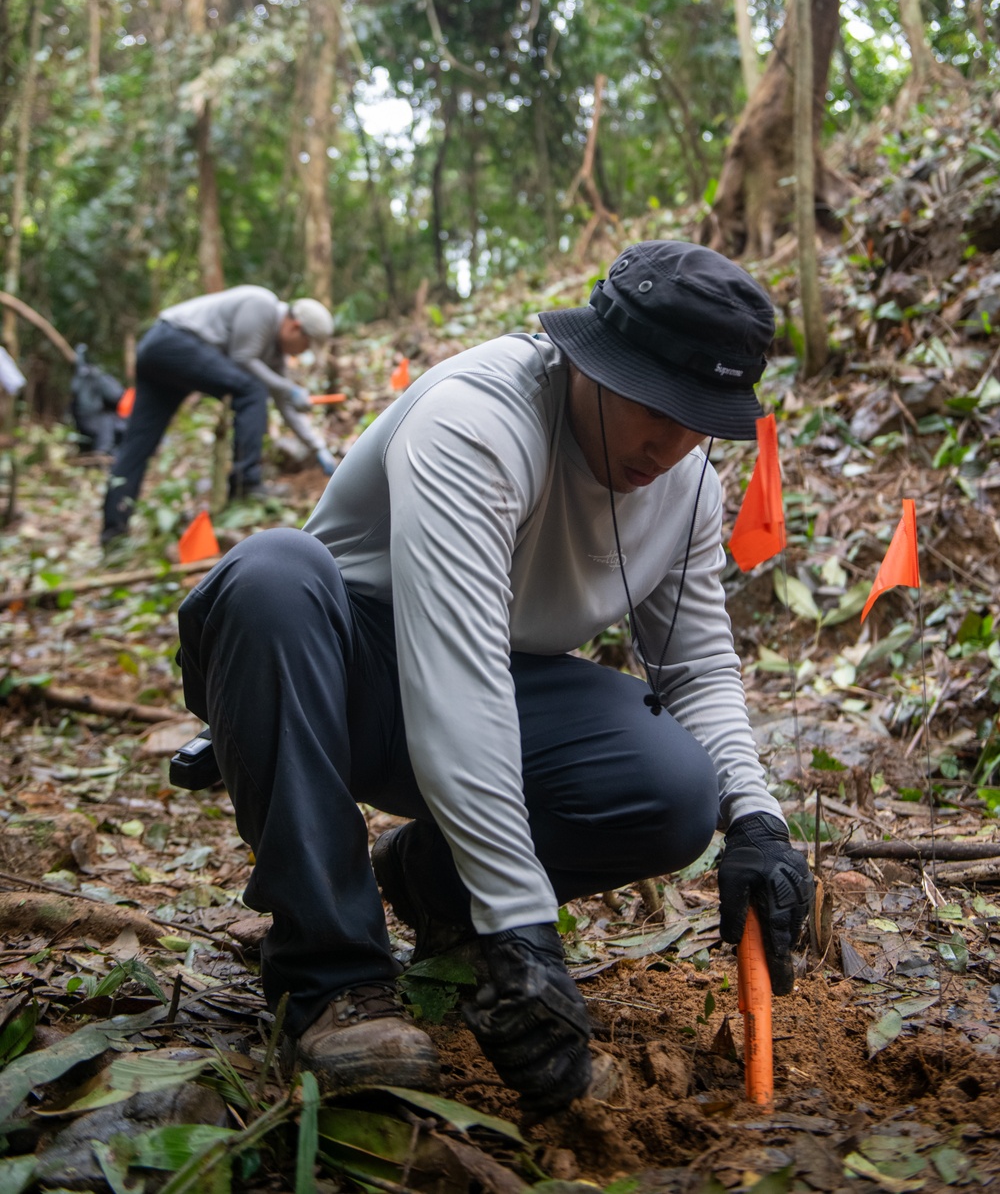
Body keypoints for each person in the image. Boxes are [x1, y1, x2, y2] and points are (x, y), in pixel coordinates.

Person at [175, 242, 812, 1116]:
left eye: (699, 417)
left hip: (502, 685)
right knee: (272, 575)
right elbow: (453, 673)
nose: (671, 443)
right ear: (593, 361)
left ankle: (430, 884)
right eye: (654, 406)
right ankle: (332, 982)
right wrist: (520, 924)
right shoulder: (477, 416)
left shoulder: (688, 485)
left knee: (674, 784)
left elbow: (695, 666)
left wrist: (760, 823)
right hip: (330, 678)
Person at [102, 286, 336, 546]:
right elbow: (243, 359)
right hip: (171, 340)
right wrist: (288, 388)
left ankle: (113, 534)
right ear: (295, 327)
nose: (301, 353)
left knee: (138, 445)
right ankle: (246, 483)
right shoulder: (262, 305)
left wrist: (318, 447)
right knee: (251, 390)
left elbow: (285, 405)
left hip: (159, 351)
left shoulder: (274, 354)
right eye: (305, 345)